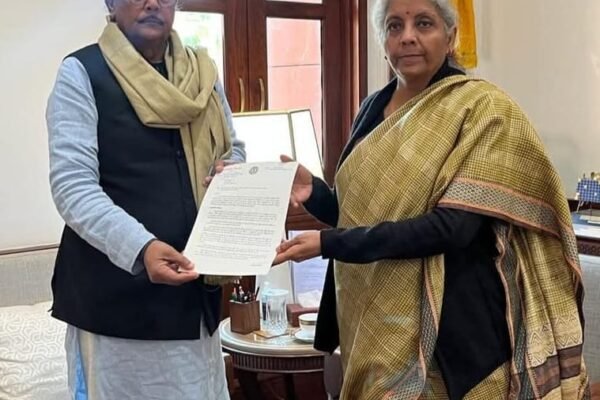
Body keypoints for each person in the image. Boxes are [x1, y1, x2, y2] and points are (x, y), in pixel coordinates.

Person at [274, 0, 589, 398]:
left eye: (423, 23)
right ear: (382, 39)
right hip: (373, 321)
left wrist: (329, 243)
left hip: (453, 333)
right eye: (394, 26)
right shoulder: (372, 108)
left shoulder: (482, 109)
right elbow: (360, 213)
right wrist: (315, 194)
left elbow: (452, 228)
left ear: (450, 35)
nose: (407, 37)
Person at [46, 0, 245, 398]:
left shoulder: (202, 74)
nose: (153, 2)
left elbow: (232, 149)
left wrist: (231, 172)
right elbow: (73, 186)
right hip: (116, 314)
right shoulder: (82, 73)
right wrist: (142, 247)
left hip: (196, 303)